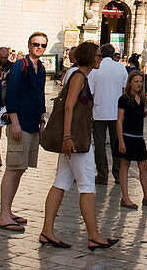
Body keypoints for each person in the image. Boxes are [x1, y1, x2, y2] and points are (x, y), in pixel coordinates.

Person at [39, 40, 118, 251]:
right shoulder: (79, 77)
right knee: (87, 187)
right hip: (76, 142)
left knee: (61, 183)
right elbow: (68, 108)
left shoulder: (80, 76)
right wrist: (66, 137)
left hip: (73, 141)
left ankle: (47, 231)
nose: (101, 58)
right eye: (99, 55)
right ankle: (93, 235)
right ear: (91, 57)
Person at [0, 33, 48, 233]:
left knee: (21, 167)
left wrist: (42, 121)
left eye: (42, 45)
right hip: (20, 124)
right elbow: (11, 94)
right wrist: (14, 122)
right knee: (13, 168)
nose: (39, 47)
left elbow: (40, 95)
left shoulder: (41, 68)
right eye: (36, 44)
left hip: (34, 123)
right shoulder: (20, 66)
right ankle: (3, 215)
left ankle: (8, 210)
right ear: (29, 45)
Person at [116, 70, 147, 209]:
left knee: (144, 166)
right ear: (130, 82)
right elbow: (119, 121)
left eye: (141, 82)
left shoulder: (142, 99)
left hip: (138, 137)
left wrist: (146, 113)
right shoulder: (124, 99)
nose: (139, 84)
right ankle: (125, 197)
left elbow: (136, 116)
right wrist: (121, 141)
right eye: (136, 81)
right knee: (125, 166)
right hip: (127, 137)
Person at [88, 42, 128, 185]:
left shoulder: (95, 69)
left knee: (99, 144)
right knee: (117, 143)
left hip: (99, 112)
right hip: (116, 112)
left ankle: (102, 175)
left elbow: (91, 93)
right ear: (113, 54)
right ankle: (117, 174)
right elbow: (124, 90)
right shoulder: (121, 68)